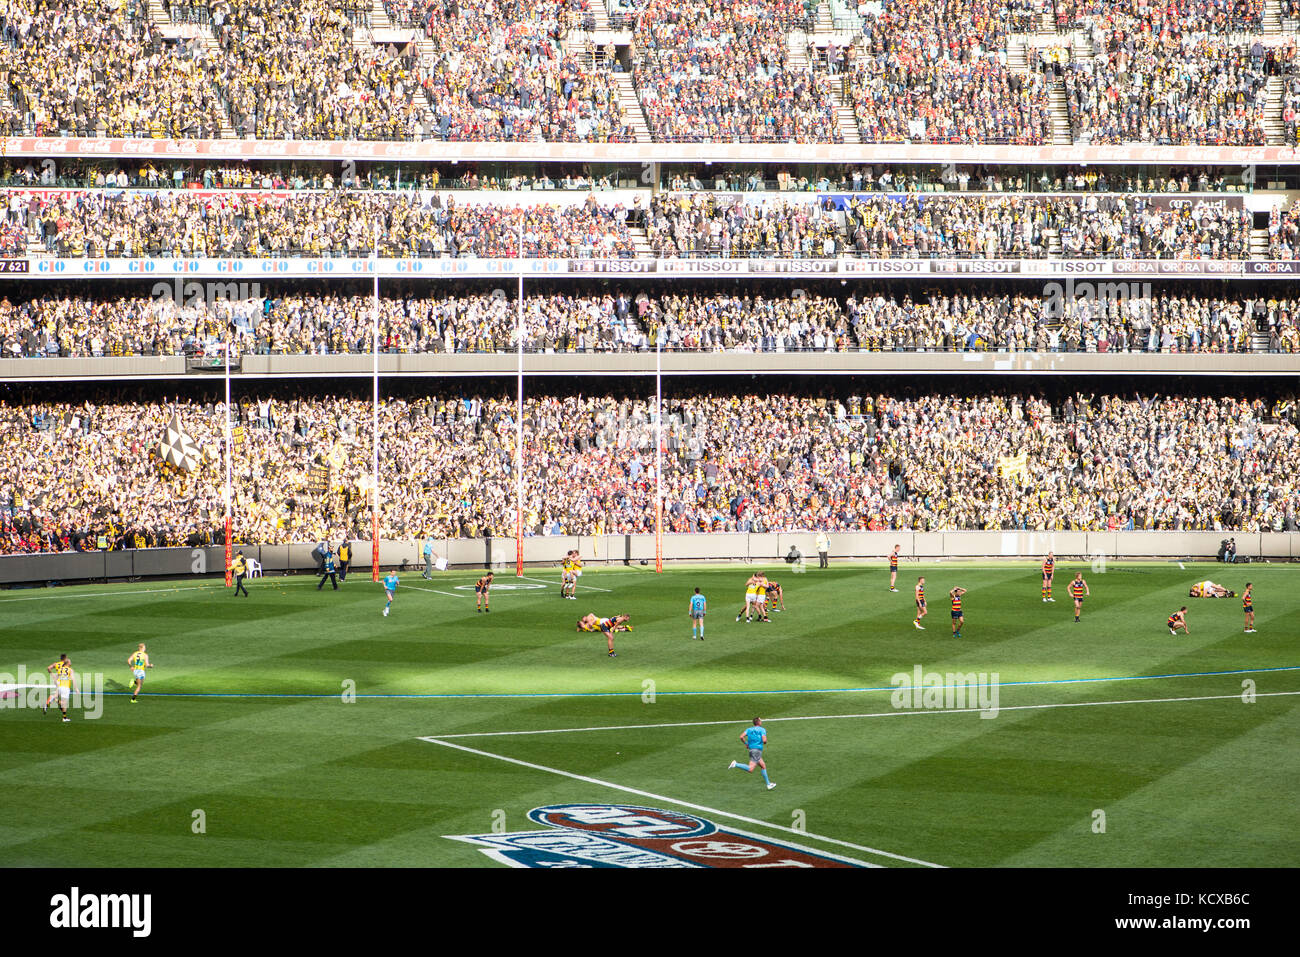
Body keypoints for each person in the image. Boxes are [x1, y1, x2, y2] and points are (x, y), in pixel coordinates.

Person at [728, 717, 776, 790]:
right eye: (760, 720)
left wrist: (746, 743)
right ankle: (735, 764)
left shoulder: (749, 729)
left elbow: (741, 736)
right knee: (750, 769)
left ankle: (768, 784)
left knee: (763, 765)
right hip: (757, 751)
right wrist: (764, 741)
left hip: (751, 750)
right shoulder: (762, 730)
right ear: (759, 722)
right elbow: (764, 740)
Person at [44, 653, 76, 722]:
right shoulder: (67, 666)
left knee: (57, 694)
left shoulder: (57, 664)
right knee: (61, 699)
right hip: (63, 682)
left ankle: (53, 702)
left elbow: (48, 668)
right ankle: (53, 701)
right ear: (65, 659)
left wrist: (52, 675)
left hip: (57, 681)